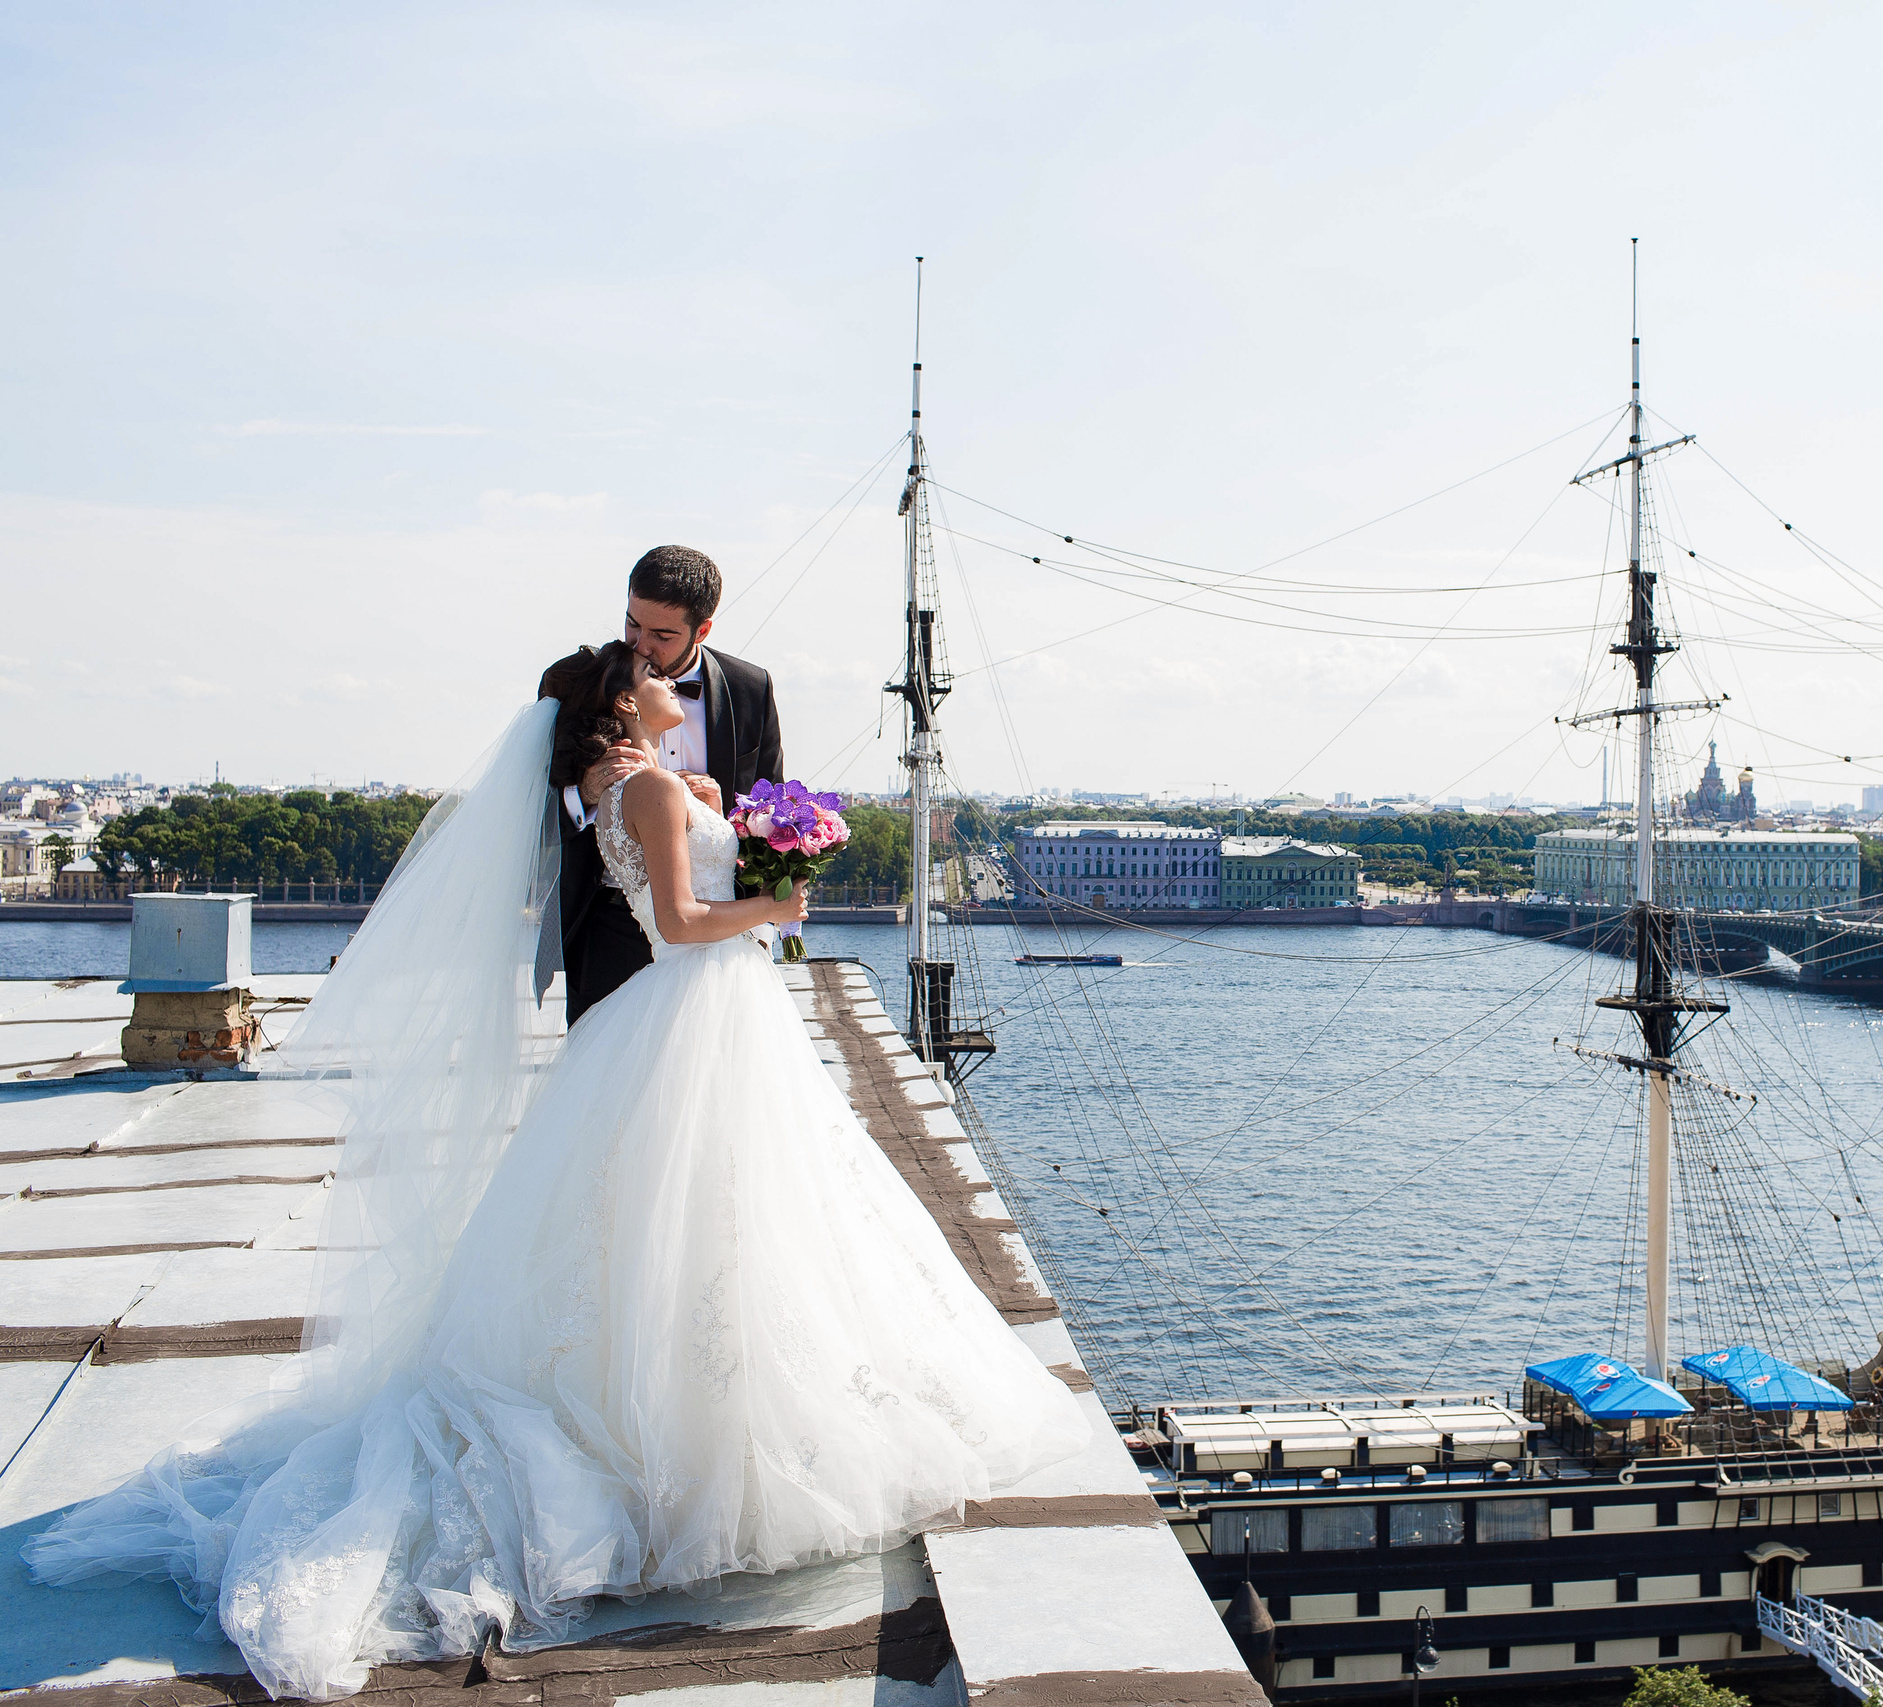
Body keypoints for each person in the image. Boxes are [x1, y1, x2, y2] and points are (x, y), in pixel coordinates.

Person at [24, 645, 1087, 1702]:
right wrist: (774, 901)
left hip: (672, 1021)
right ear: (628, 702)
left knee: (677, 1222)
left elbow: (668, 858)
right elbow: (677, 926)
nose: (680, 689)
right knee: (731, 1214)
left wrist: (740, 834)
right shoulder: (656, 787)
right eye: (660, 681)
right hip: (698, 1007)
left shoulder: (608, 784)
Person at [538, 545, 784, 1025]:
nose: (640, 644)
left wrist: (724, 812)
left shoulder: (750, 688)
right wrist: (583, 796)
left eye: (662, 635)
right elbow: (524, 808)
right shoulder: (579, 680)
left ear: (703, 629)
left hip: (716, 942)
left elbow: (770, 813)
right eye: (633, 623)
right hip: (607, 925)